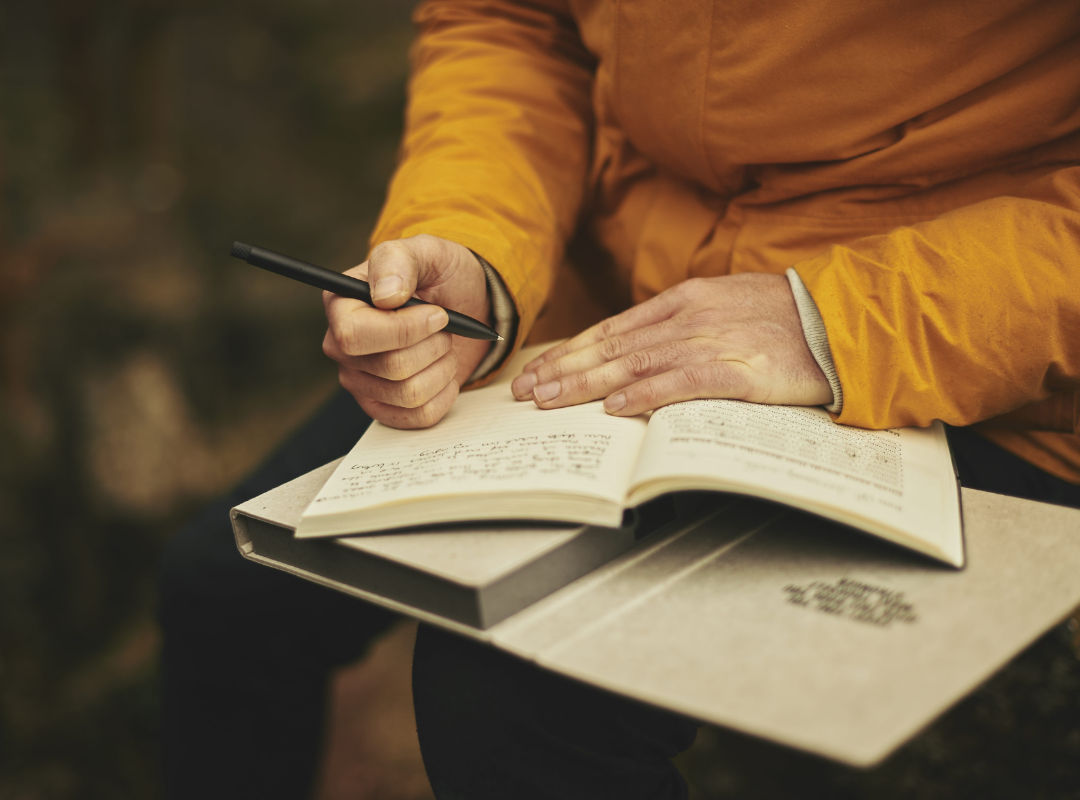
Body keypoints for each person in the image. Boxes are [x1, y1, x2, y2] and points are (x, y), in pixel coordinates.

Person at [159, 1, 1080, 798]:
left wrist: (841, 320)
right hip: (610, 306)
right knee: (227, 589)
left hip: (971, 364)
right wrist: (477, 246)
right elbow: (513, 24)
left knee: (507, 700)